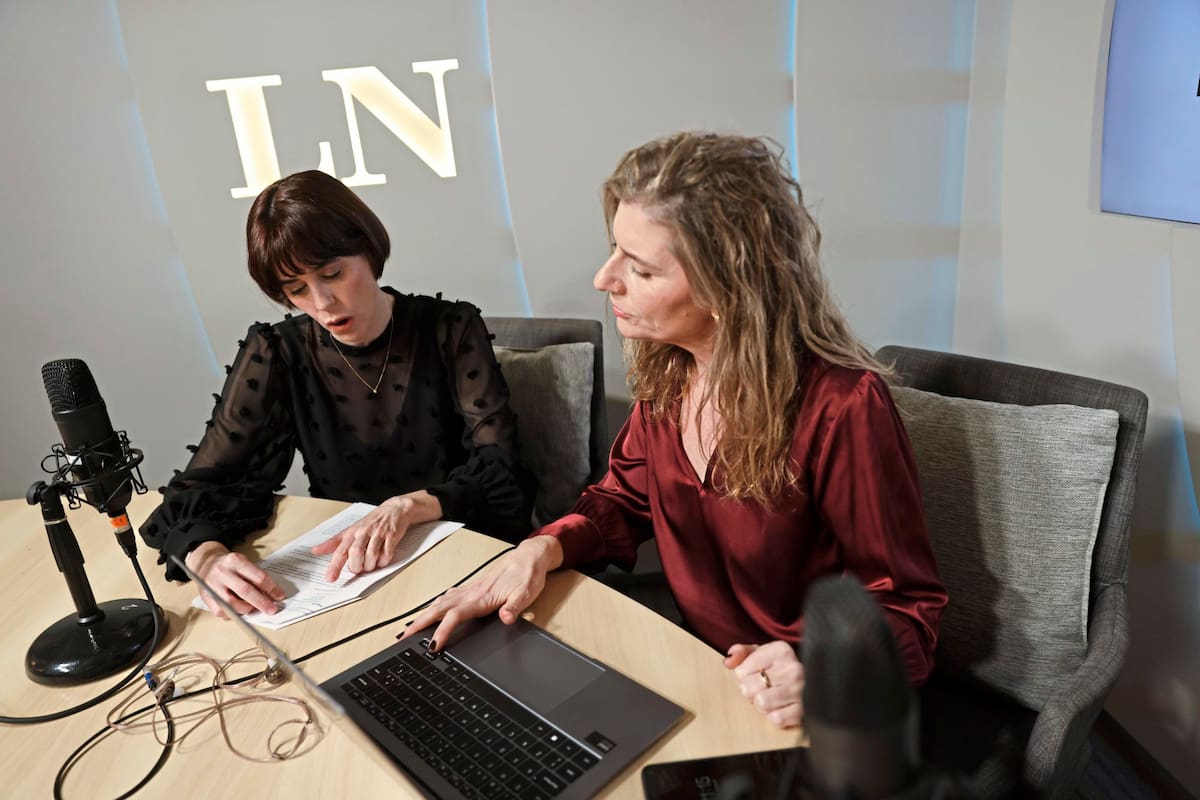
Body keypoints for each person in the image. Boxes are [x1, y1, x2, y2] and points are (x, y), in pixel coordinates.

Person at [408, 132, 947, 729]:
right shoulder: (670, 375)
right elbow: (621, 502)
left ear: (726, 286)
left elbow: (908, 611)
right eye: (614, 249)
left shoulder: (843, 407)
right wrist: (543, 547)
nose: (603, 278)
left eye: (638, 268)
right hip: (700, 674)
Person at [140, 170, 533, 618]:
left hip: (459, 560)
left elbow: (504, 472)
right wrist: (206, 557)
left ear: (369, 250)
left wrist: (407, 506)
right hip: (349, 579)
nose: (321, 302)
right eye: (296, 289)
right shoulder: (277, 353)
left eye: (333, 274)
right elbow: (199, 488)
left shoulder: (450, 328)